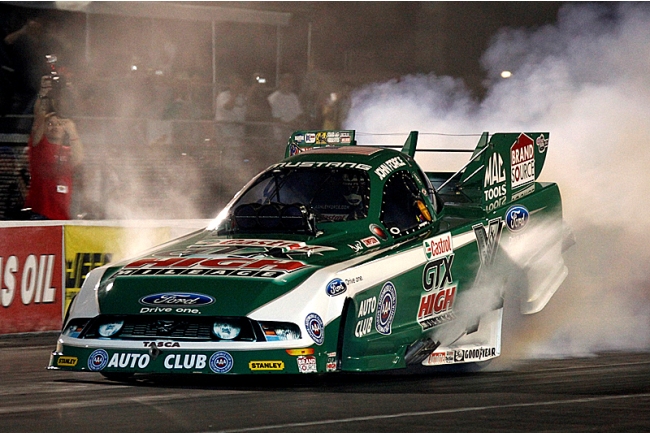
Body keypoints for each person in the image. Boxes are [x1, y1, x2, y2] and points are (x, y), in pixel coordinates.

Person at [23, 76, 83, 220]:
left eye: (59, 124)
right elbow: (39, 117)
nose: (55, 126)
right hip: (40, 215)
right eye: (50, 124)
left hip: (63, 218)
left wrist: (73, 131)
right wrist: (43, 93)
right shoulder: (39, 146)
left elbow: (78, 161)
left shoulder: (68, 151)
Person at [267, 73, 304, 143]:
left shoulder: (294, 97)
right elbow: (274, 118)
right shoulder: (273, 98)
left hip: (294, 134)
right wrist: (288, 125)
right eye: (286, 81)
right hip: (279, 135)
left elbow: (299, 114)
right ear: (281, 83)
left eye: (290, 82)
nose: (288, 84)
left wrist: (295, 123)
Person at [215, 74, 247, 141]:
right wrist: (235, 94)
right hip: (225, 131)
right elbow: (228, 107)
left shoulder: (242, 97)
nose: (238, 87)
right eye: (237, 84)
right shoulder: (223, 95)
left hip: (239, 131)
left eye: (240, 85)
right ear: (231, 85)